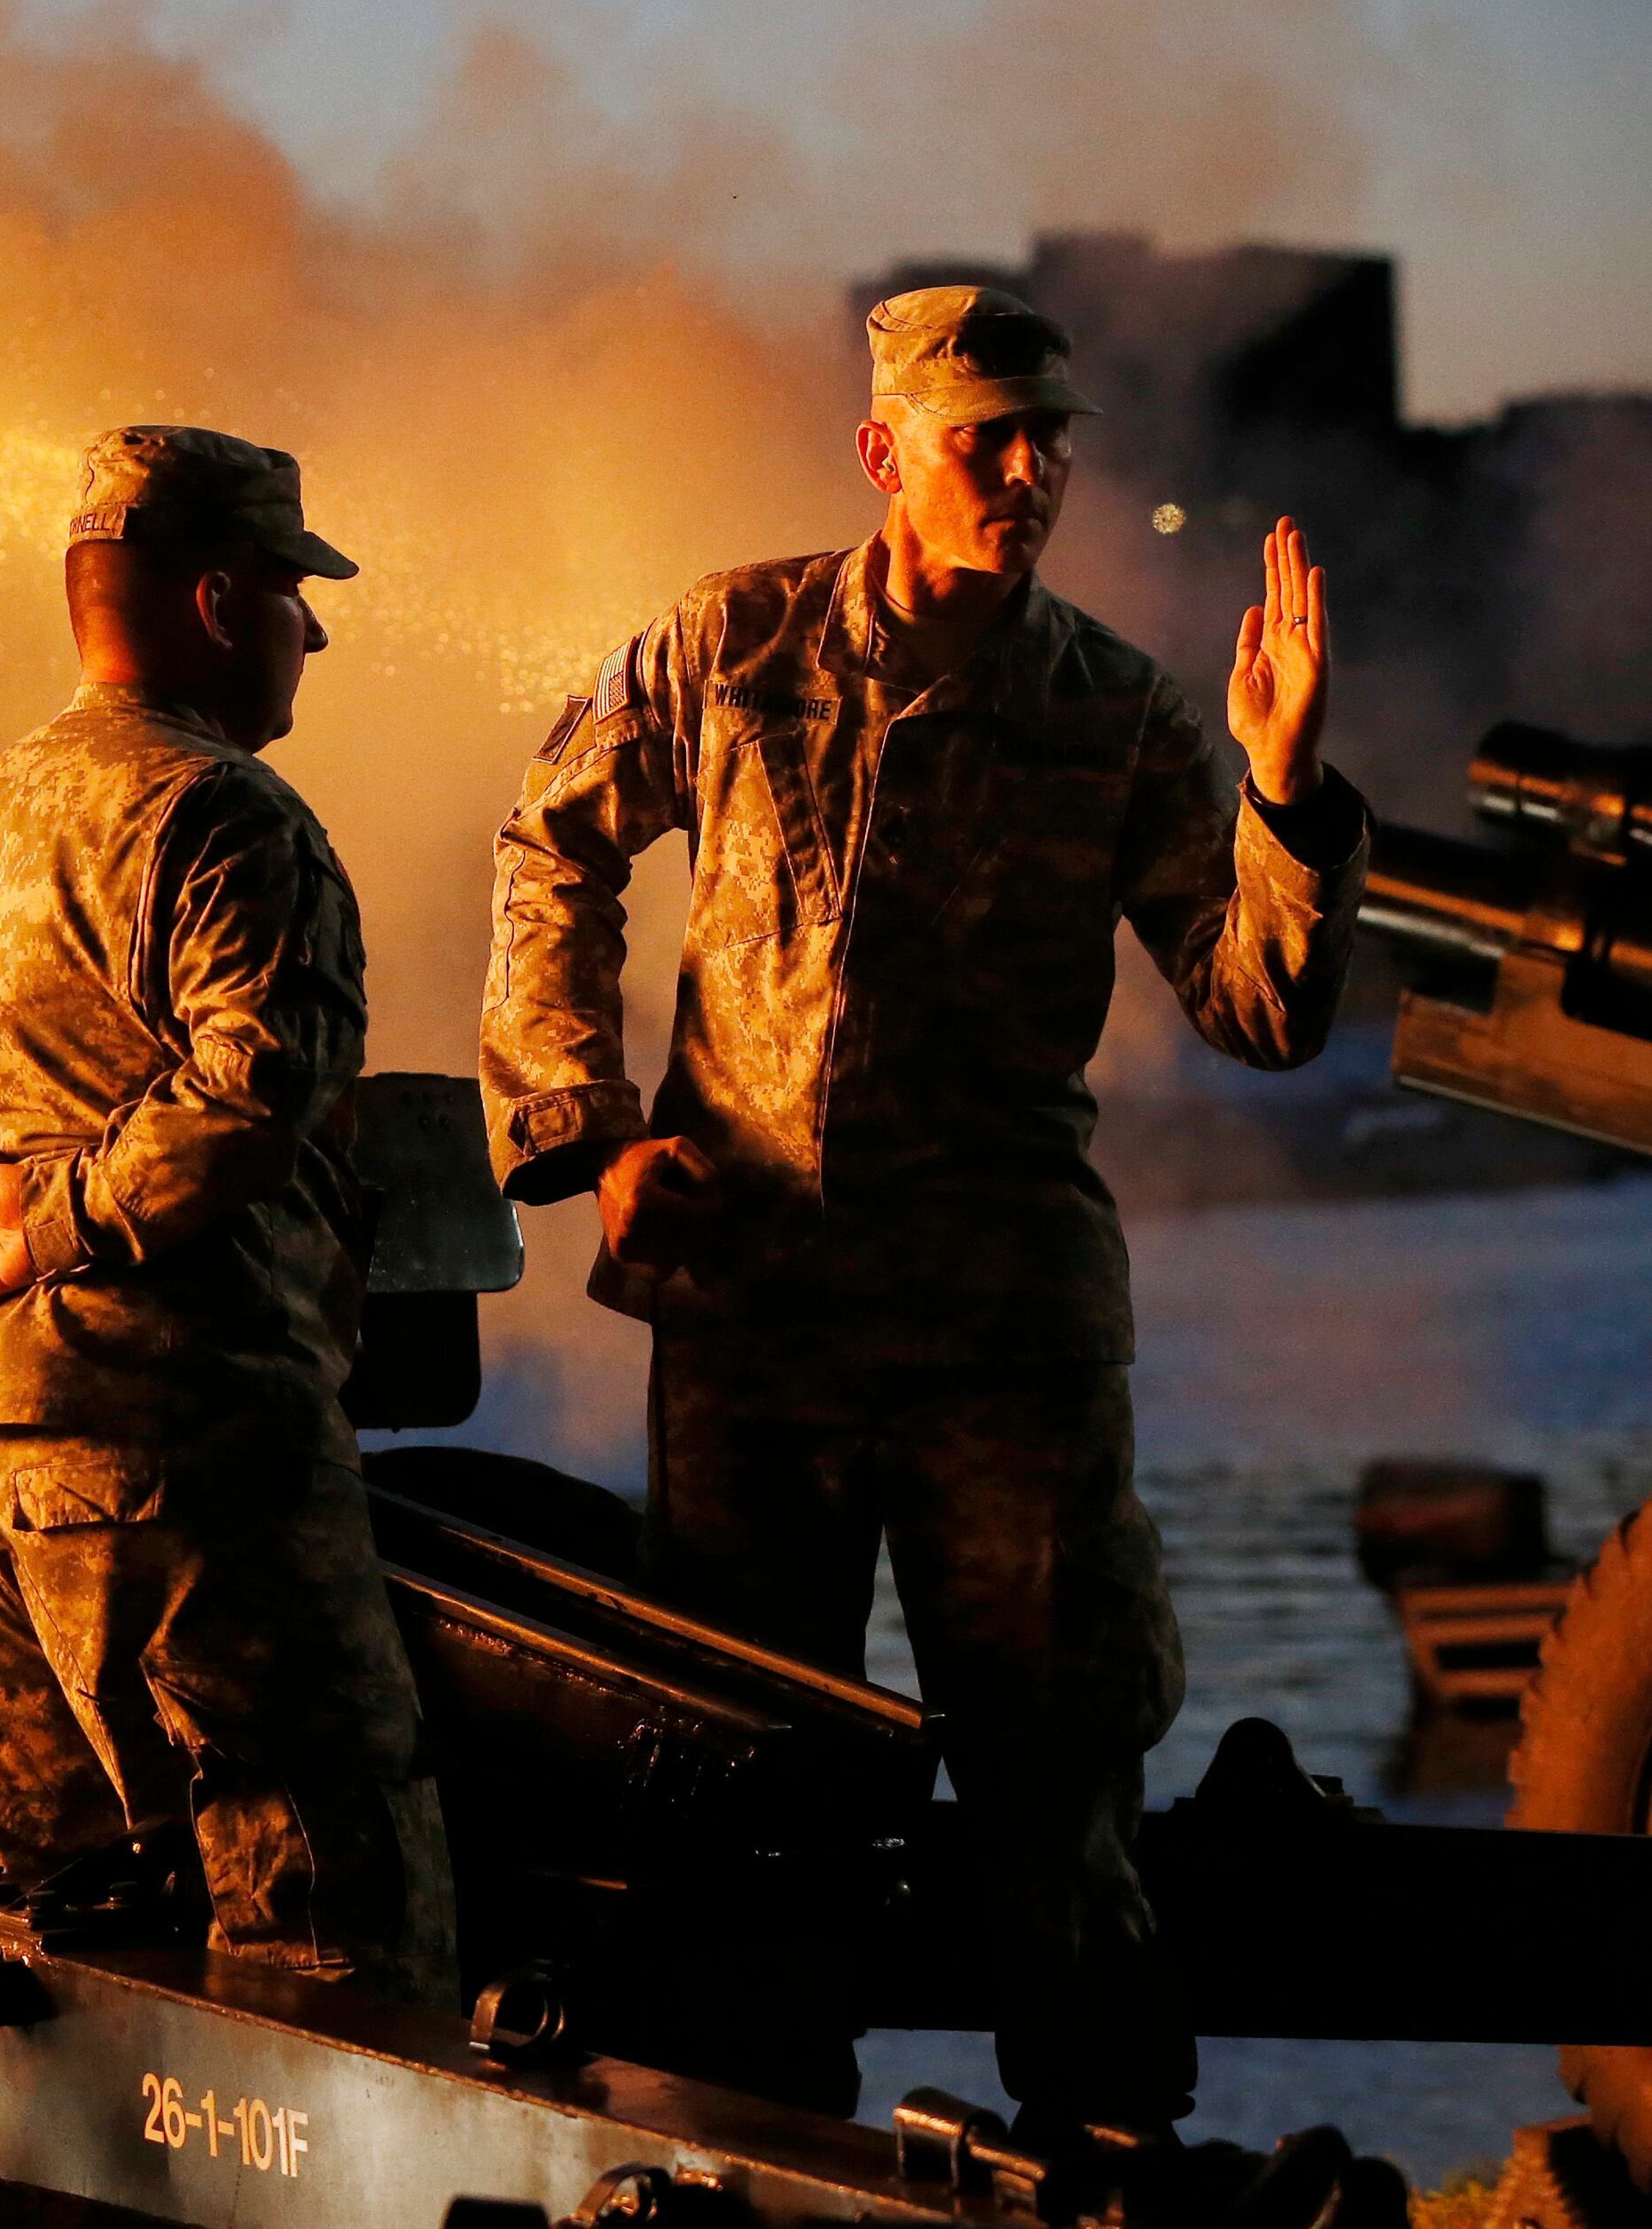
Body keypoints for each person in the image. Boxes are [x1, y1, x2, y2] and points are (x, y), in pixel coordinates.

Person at [481, 288, 1367, 2131]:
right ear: (887, 453)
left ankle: (1107, 2159)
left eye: (1054, 438)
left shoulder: (1112, 710)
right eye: (990, 440)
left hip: (1004, 1345)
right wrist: (592, 1128)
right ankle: (752, 2160)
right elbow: (553, 840)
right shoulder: (733, 643)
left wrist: (1283, 790)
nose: (1033, 472)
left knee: (1059, 1765)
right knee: (745, 1772)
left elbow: (1259, 1007)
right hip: (756, 1323)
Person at [0, 424, 455, 2004]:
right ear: (220, 604)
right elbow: (255, 1088)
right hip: (186, 1461)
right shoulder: (226, 816)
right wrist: (46, 1227)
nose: (314, 633)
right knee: (333, 1942)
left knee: (61, 1972)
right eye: (295, 593)